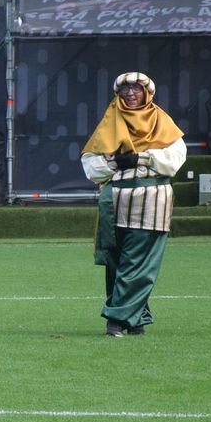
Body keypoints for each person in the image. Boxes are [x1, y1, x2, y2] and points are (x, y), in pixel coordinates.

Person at [80, 72, 187, 338]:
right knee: (116, 262)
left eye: (136, 89)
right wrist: (115, 163)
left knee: (138, 261)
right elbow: (91, 166)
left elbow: (175, 158)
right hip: (114, 199)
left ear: (147, 93)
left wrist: (142, 158)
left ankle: (116, 319)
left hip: (151, 198)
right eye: (125, 89)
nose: (130, 93)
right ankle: (136, 317)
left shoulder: (162, 122)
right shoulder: (109, 122)